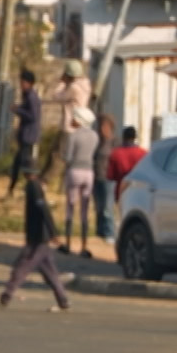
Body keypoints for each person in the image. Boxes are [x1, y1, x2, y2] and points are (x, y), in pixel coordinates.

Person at [0, 169, 70, 311]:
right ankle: (63, 301)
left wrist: (54, 233)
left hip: (38, 238)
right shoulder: (35, 185)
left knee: (22, 266)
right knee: (49, 272)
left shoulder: (33, 186)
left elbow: (43, 209)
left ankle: (6, 296)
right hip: (40, 237)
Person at [59, 105, 99, 257]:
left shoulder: (73, 136)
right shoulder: (95, 136)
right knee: (84, 210)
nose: (72, 120)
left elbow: (68, 157)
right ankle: (84, 246)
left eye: (74, 118)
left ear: (80, 120)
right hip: (89, 173)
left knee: (70, 207)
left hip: (75, 171)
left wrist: (64, 158)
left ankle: (68, 244)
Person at [7, 69, 42, 196]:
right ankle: (14, 189)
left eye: (23, 82)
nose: (21, 85)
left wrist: (18, 110)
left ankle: (32, 190)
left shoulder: (32, 97)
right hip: (25, 136)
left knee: (25, 165)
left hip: (29, 136)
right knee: (21, 164)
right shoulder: (27, 96)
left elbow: (33, 116)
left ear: (30, 83)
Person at [43, 60, 91, 134]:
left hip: (71, 125)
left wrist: (62, 83)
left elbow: (56, 97)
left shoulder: (74, 87)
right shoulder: (86, 84)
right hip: (81, 123)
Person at [104, 125, 146, 205]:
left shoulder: (116, 153)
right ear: (135, 137)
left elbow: (110, 176)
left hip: (122, 192)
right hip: (139, 192)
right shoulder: (143, 153)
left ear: (123, 137)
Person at [93, 114, 118, 243]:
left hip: (109, 178)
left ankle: (110, 232)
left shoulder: (115, 142)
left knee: (107, 207)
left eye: (103, 126)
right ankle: (100, 231)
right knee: (98, 206)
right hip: (96, 177)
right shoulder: (97, 141)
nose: (101, 129)